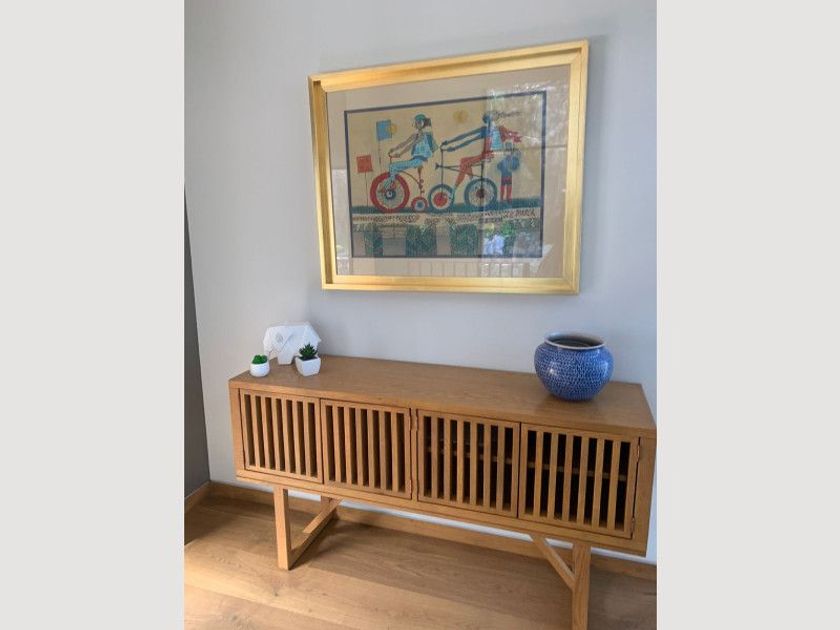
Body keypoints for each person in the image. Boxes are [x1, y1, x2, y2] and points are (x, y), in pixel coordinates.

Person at [441, 110, 521, 188]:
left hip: (492, 155)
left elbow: (511, 135)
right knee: (463, 160)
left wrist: (514, 137)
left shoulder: (500, 129)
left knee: (464, 165)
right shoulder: (485, 129)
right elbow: (466, 137)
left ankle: (454, 189)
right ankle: (471, 180)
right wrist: (450, 144)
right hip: (485, 154)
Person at [386, 114, 437, 184]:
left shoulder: (423, 135)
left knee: (392, 166)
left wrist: (400, 154)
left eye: (417, 123)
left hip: (418, 161)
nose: (415, 125)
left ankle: (392, 185)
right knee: (394, 169)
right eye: (415, 123)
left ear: (421, 123)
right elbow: (405, 142)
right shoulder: (416, 134)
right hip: (415, 160)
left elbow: (410, 145)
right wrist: (394, 149)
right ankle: (392, 184)